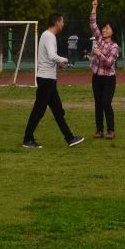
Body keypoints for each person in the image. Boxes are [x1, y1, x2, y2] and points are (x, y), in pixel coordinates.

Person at [21, 13, 83, 149]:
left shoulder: (48, 35)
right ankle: (27, 139)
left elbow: (49, 57)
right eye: (62, 21)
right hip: (46, 79)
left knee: (57, 110)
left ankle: (70, 138)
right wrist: (64, 60)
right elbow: (51, 55)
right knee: (40, 110)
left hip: (48, 79)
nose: (63, 24)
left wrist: (58, 63)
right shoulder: (49, 36)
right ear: (57, 22)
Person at [89, 0, 118, 140]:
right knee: (98, 104)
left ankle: (110, 130)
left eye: (107, 28)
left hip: (109, 79)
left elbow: (109, 63)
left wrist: (99, 53)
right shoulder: (99, 39)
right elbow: (93, 24)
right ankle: (99, 130)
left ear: (112, 32)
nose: (104, 30)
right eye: (104, 28)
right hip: (97, 77)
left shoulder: (114, 46)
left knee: (106, 102)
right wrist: (94, 7)